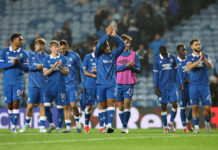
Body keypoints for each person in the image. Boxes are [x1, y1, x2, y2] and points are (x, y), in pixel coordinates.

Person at [95, 25, 125, 133]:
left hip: (112, 84)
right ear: (103, 48)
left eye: (109, 46)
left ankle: (109, 126)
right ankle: (102, 125)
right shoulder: (98, 55)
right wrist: (106, 36)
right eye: (106, 46)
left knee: (111, 103)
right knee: (102, 105)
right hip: (100, 84)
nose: (109, 48)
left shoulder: (113, 54)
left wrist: (115, 36)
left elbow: (122, 45)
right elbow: (98, 46)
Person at [0, 33, 29, 133]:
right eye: (20, 39)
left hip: (18, 82)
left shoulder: (24, 54)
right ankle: (13, 125)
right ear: (14, 40)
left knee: (16, 103)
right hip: (7, 81)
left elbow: (27, 69)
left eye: (22, 40)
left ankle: (13, 126)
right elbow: (1, 65)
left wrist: (19, 64)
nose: (22, 41)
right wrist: (12, 63)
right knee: (10, 104)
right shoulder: (4, 51)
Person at [20, 38, 48, 133]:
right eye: (35, 44)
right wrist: (36, 67)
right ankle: (27, 124)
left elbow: (49, 70)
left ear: (42, 46)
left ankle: (42, 127)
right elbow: (26, 67)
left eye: (38, 44)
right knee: (30, 105)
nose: (36, 46)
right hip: (33, 85)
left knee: (42, 105)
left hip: (44, 85)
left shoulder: (47, 57)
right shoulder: (30, 55)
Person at [153, 45, 183, 133]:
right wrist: (156, 87)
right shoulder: (157, 59)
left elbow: (177, 72)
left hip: (172, 86)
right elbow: (155, 74)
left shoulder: (172, 58)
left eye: (166, 53)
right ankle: (165, 126)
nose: (165, 55)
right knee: (163, 106)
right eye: (164, 53)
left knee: (174, 104)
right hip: (162, 87)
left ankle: (171, 122)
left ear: (167, 50)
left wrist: (180, 83)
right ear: (160, 53)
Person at [186, 39, 212, 133]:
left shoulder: (206, 55)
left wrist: (204, 58)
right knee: (194, 107)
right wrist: (200, 59)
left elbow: (210, 66)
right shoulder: (189, 57)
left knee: (207, 108)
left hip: (204, 86)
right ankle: (196, 128)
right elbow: (190, 67)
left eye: (199, 44)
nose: (198, 46)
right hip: (193, 86)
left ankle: (207, 123)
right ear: (192, 47)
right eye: (196, 45)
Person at [59, 40, 85, 133]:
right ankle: (68, 127)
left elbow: (81, 70)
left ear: (67, 46)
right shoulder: (58, 57)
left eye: (64, 48)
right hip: (63, 85)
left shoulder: (75, 55)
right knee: (66, 106)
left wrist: (83, 83)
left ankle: (77, 122)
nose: (63, 51)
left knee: (73, 105)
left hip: (73, 84)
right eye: (61, 49)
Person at [43, 40, 69, 133]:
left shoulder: (63, 59)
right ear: (50, 48)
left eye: (57, 47)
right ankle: (51, 125)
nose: (56, 48)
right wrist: (53, 67)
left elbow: (66, 73)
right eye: (54, 47)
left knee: (60, 108)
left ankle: (58, 128)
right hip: (49, 87)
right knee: (46, 107)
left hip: (60, 87)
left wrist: (61, 67)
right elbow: (45, 73)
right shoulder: (46, 59)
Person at [116, 34, 140, 133]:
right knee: (120, 106)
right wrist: (126, 66)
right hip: (118, 83)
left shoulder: (134, 55)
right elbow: (113, 69)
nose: (127, 44)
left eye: (128, 42)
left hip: (129, 83)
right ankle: (123, 125)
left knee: (127, 104)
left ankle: (125, 126)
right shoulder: (116, 55)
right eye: (125, 42)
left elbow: (138, 69)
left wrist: (131, 67)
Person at [83, 40, 105, 133]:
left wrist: (98, 71)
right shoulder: (87, 57)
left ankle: (101, 127)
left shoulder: (102, 57)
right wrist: (92, 75)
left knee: (101, 105)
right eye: (95, 47)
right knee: (89, 107)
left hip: (100, 85)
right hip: (90, 85)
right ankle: (86, 125)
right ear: (93, 48)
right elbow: (83, 71)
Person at [176, 44, 193, 133]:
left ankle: (188, 121)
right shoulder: (175, 62)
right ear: (179, 51)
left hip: (190, 87)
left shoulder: (189, 60)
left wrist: (191, 75)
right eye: (183, 50)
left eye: (185, 50)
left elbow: (194, 71)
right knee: (182, 108)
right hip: (181, 88)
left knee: (194, 106)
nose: (185, 52)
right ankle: (184, 128)